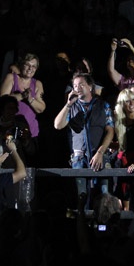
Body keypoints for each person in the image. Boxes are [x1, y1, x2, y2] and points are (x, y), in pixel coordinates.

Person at [53, 73, 115, 202]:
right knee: (81, 196)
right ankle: (82, 221)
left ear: (90, 86)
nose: (78, 88)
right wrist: (68, 104)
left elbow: (110, 131)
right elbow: (58, 125)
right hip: (79, 158)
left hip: (100, 156)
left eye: (81, 84)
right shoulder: (72, 107)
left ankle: (103, 222)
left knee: (104, 195)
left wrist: (100, 152)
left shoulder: (103, 105)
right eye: (75, 86)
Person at [0, 53, 45, 150]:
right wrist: (22, 95)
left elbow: (41, 108)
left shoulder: (37, 84)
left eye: (33, 66)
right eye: (27, 65)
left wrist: (30, 99)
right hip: (9, 130)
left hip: (30, 132)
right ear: (21, 65)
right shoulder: (11, 77)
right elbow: (2, 100)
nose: (30, 68)